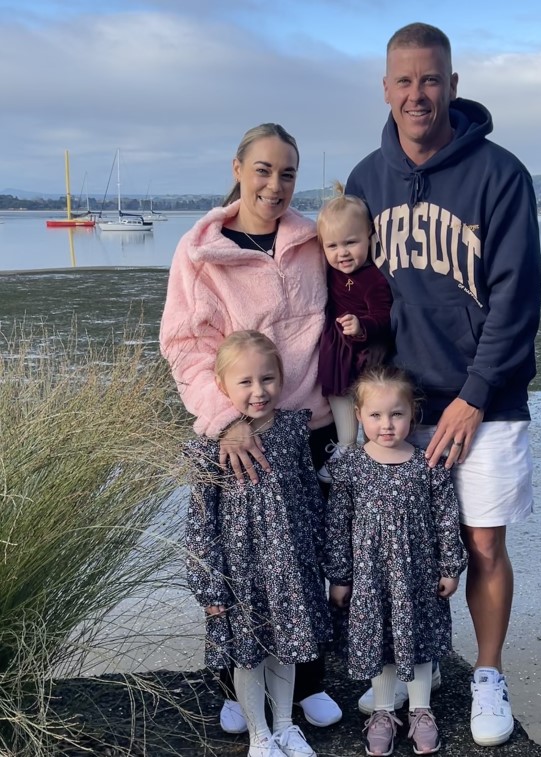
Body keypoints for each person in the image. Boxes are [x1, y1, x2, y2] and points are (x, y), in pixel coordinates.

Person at [345, 22, 541, 747]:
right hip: (400, 405)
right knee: (398, 552)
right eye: (404, 81)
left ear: (453, 86)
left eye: (431, 79)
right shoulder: (367, 179)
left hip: (484, 402)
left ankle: (488, 672)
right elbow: (348, 285)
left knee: (482, 543)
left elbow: (517, 298)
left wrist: (476, 392)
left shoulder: (500, 175)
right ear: (386, 89)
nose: (417, 94)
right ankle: (402, 677)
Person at [160, 123, 342, 734]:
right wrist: (225, 421)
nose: (275, 184)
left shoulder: (313, 240)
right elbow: (185, 346)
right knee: (240, 566)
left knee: (305, 555)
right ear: (238, 168)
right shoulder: (200, 251)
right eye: (263, 170)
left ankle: (306, 679)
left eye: (287, 173)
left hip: (309, 426)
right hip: (241, 431)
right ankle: (237, 688)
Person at [185, 330, 330, 757]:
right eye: (244, 382)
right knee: (248, 653)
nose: (258, 391)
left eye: (267, 379)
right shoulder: (208, 447)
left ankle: (285, 726)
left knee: (287, 645)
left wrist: (321, 558)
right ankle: (259, 735)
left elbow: (308, 495)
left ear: (282, 378)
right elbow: (200, 522)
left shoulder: (291, 431)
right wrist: (208, 585)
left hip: (289, 565)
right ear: (222, 387)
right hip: (240, 570)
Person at [325, 366, 467, 756]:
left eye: (396, 414)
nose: (386, 424)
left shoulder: (428, 464)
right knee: (381, 641)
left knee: (418, 639)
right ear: (359, 416)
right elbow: (338, 523)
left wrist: (450, 567)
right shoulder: (351, 465)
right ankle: (384, 713)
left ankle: (422, 711)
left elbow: (445, 518)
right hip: (371, 577)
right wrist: (340, 576)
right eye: (375, 415)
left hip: (417, 575)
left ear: (412, 414)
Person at [314, 183, 393, 483]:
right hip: (337, 347)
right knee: (337, 392)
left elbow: (384, 317)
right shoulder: (329, 270)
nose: (342, 253)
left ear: (369, 238)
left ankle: (363, 449)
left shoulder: (372, 278)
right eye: (332, 246)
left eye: (351, 242)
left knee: (363, 397)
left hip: (362, 349)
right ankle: (346, 445)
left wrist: (362, 326)